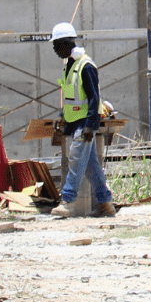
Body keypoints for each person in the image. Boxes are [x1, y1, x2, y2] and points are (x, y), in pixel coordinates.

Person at [50, 22, 116, 217]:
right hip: (75, 122)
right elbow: (72, 97)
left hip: (84, 124)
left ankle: (67, 201)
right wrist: (62, 116)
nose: (54, 49)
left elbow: (95, 98)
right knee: (90, 166)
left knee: (76, 161)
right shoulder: (69, 66)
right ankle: (105, 204)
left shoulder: (85, 66)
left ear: (66, 43)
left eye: (56, 45)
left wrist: (89, 126)